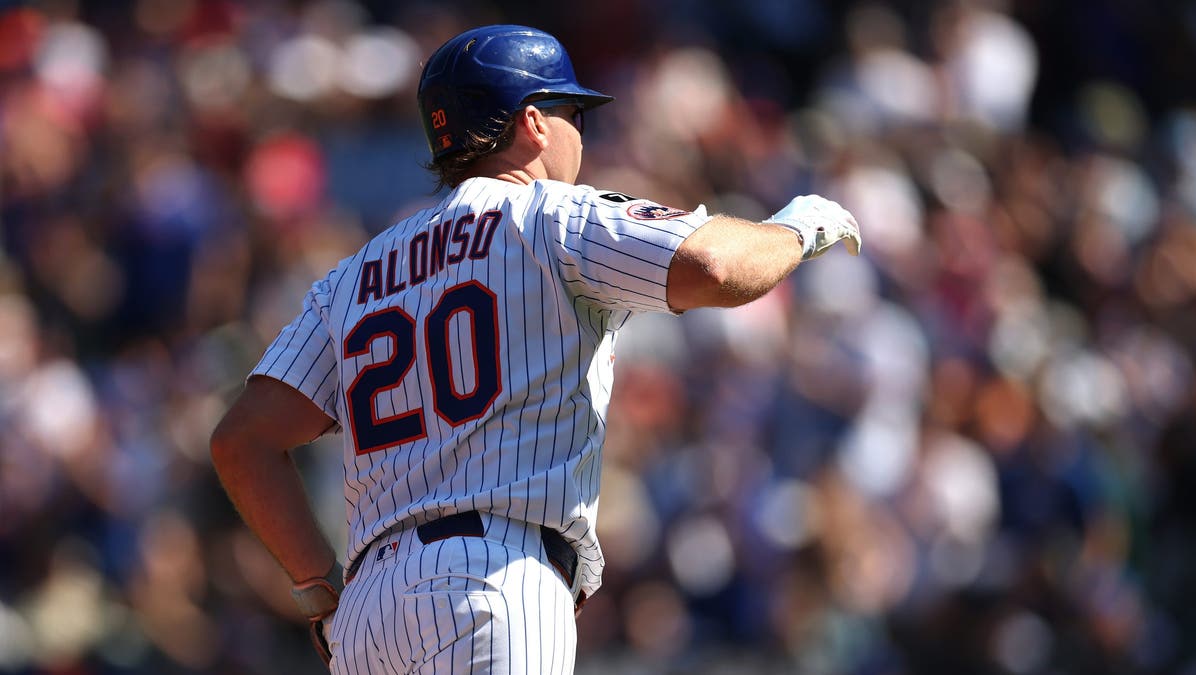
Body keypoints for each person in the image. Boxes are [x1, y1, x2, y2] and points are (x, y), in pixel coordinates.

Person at [209, 23, 860, 674]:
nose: (582, 132)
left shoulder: (354, 276)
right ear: (533, 122)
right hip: (494, 577)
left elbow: (243, 441)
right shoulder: (549, 215)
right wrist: (796, 228)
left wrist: (319, 588)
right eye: (572, 113)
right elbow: (715, 266)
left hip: (370, 608)